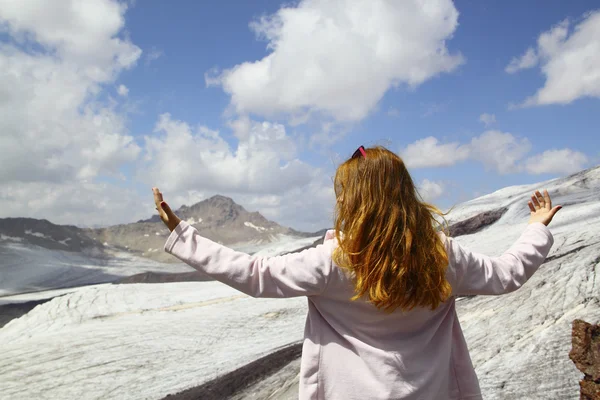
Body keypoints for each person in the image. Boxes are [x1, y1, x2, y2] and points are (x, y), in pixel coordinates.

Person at [152, 145, 561, 400]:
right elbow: (508, 274)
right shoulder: (442, 256)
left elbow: (255, 273)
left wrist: (184, 235)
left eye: (344, 192)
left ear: (359, 199)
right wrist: (536, 228)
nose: (340, 199)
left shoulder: (335, 261)